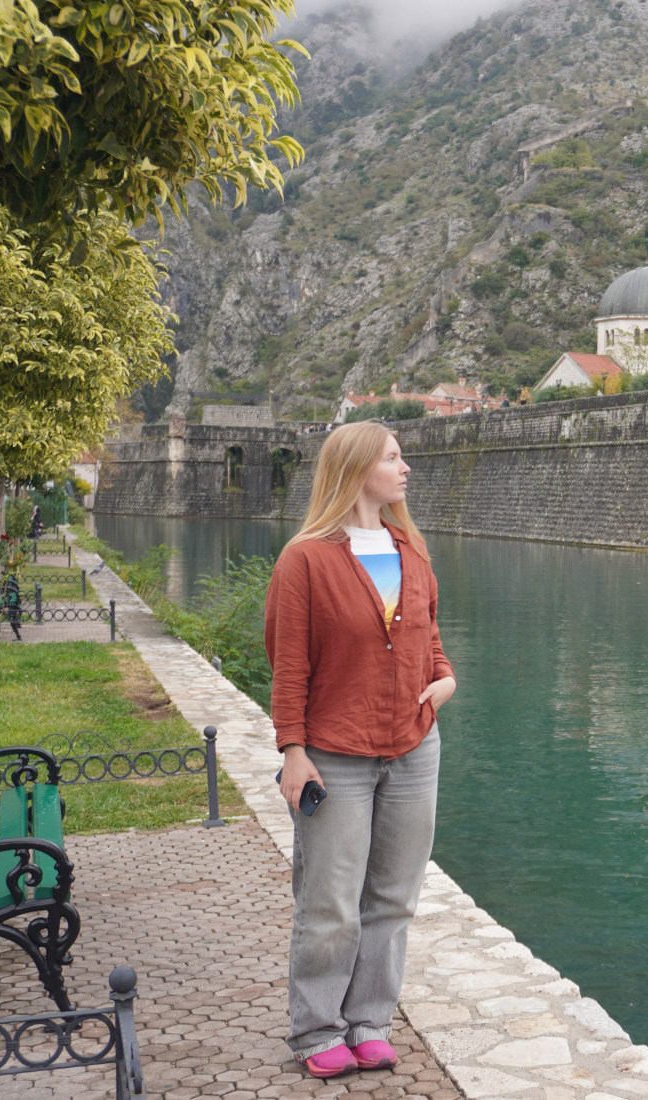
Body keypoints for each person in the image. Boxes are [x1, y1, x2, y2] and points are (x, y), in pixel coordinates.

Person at [264, 420, 457, 1080]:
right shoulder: (306, 559)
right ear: (355, 469)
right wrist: (293, 749)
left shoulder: (412, 549)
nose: (405, 469)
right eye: (393, 457)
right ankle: (318, 1029)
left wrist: (445, 678)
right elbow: (289, 664)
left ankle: (370, 1021)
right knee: (329, 903)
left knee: (395, 898)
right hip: (336, 751)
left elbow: (428, 635)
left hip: (413, 745)